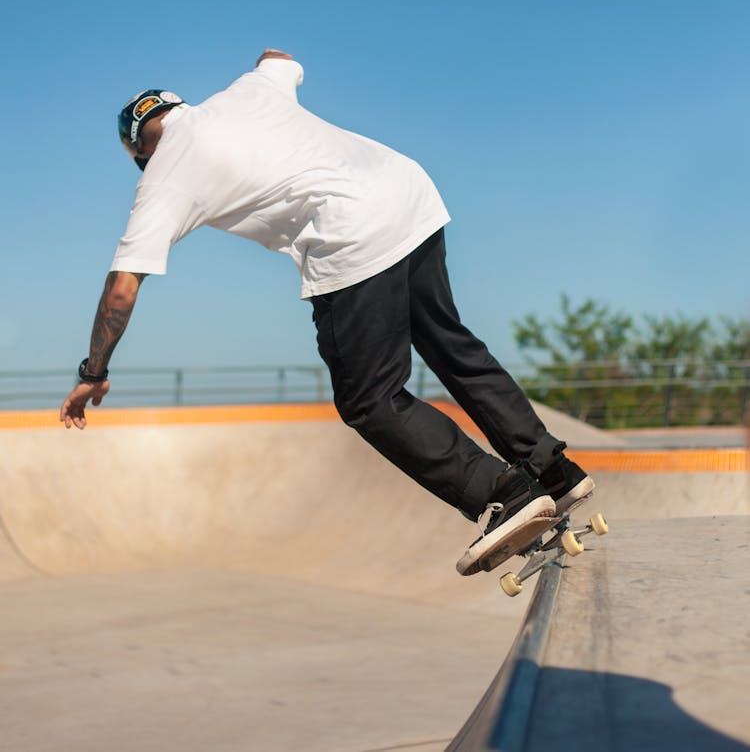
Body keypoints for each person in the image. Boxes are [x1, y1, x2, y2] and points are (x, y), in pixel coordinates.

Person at [59, 48, 594, 575]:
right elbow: (279, 56)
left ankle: (503, 494)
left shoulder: (161, 177)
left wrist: (94, 372)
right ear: (178, 108)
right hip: (408, 192)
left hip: (351, 235)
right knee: (447, 341)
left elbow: (121, 290)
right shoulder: (246, 91)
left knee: (369, 399)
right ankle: (552, 468)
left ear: (139, 153)